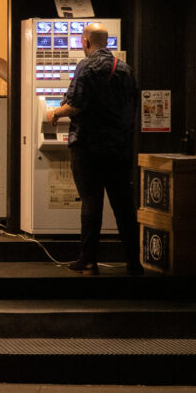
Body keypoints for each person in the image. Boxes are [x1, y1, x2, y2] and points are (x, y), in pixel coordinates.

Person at [45, 21, 144, 276]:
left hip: (88, 147)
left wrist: (55, 112)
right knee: (123, 205)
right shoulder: (125, 69)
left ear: (85, 42)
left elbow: (75, 105)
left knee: (91, 202)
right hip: (119, 148)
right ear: (107, 41)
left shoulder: (86, 67)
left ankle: (88, 260)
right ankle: (135, 262)